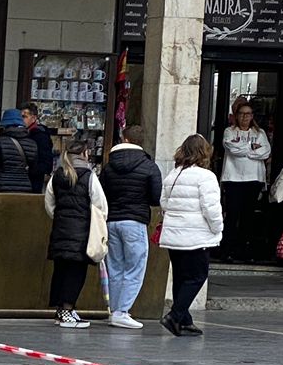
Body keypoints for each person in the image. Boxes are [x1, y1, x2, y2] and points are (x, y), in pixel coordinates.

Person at [157, 134, 224, 337]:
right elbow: (211, 208)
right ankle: (175, 315)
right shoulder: (206, 177)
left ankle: (184, 320)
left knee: (181, 277)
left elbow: (164, 204)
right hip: (196, 236)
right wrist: (217, 228)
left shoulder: (173, 175)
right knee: (197, 276)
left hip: (174, 235)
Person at [98, 124, 160, 329]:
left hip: (112, 220)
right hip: (135, 220)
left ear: (124, 139)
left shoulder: (109, 165)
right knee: (135, 267)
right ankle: (122, 311)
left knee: (114, 267)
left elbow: (101, 193)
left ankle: (115, 309)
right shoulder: (149, 166)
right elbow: (155, 197)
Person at [44, 132, 107, 328]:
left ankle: (61, 310)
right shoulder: (89, 176)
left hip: (61, 229)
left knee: (61, 271)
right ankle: (67, 310)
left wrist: (61, 217)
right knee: (76, 273)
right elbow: (100, 205)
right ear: (86, 154)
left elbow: (49, 205)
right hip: (82, 232)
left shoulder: (57, 176)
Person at [218, 98, 271, 263]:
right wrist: (252, 149)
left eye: (248, 114)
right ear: (236, 115)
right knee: (233, 215)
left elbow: (266, 152)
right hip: (233, 179)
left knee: (248, 217)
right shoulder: (229, 131)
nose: (244, 117)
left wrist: (245, 149)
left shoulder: (259, 133)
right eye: (241, 114)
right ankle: (227, 251)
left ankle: (245, 251)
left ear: (252, 116)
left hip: (254, 179)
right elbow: (232, 149)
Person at [0, 108, 37, 193]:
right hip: (24, 187)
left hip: (1, 186)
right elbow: (34, 170)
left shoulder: (0, 141)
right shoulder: (32, 144)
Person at [20, 102, 54, 190]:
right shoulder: (22, 132)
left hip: (33, 181)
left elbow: (46, 162)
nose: (21, 120)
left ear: (34, 118)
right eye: (20, 117)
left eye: (24, 117)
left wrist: (30, 170)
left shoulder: (40, 135)